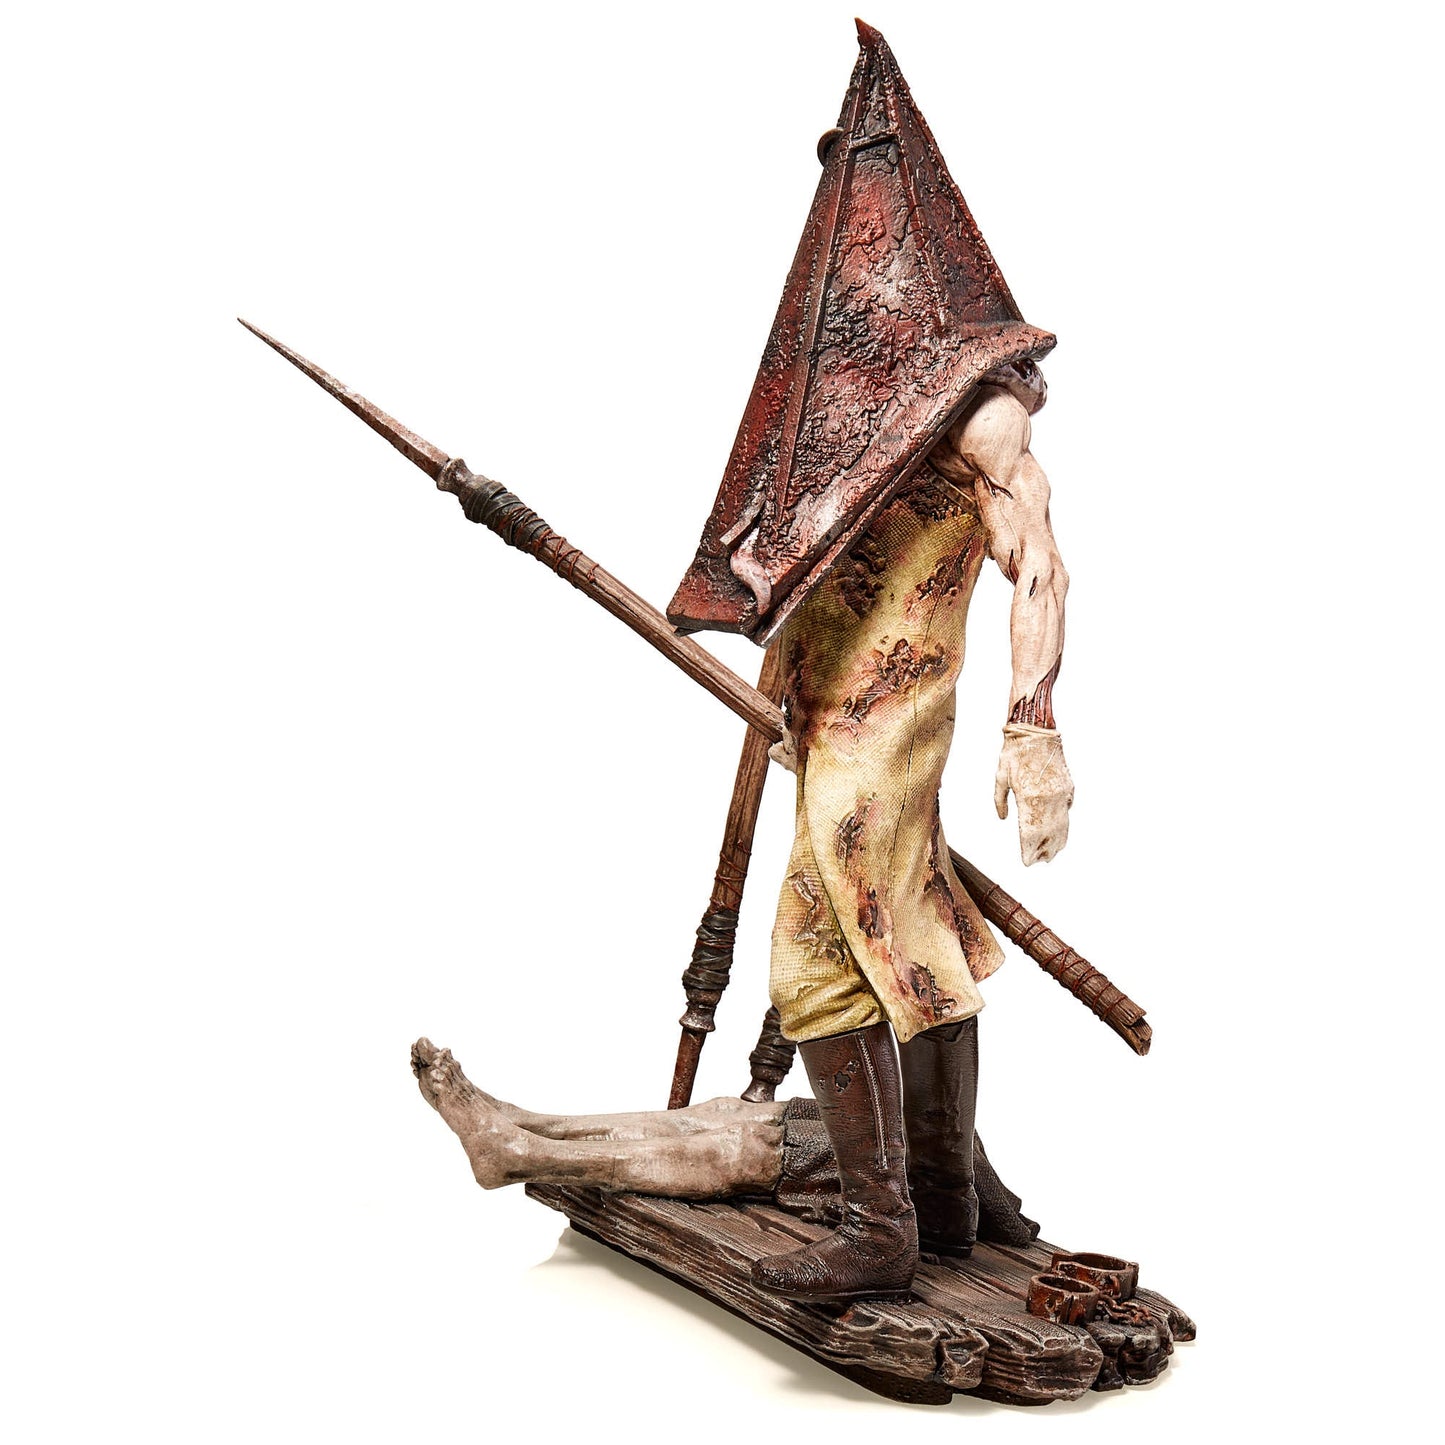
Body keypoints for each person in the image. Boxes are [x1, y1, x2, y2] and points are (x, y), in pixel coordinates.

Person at [743, 361, 1072, 1301]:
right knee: (922, 933)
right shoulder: (847, 382)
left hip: (886, 734)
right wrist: (791, 674)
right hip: (830, 722)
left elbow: (1040, 567)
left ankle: (879, 1230)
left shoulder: (983, 411)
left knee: (811, 961)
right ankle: (943, 1194)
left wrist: (1032, 727)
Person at [410, 1038, 1037, 1245]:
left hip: (856, 1158)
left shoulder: (960, 1155)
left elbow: (1003, 1221)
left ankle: (520, 1153)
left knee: (729, 1151)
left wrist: (1014, 1223)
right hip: (843, 1123)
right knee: (716, 1115)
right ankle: (529, 1122)